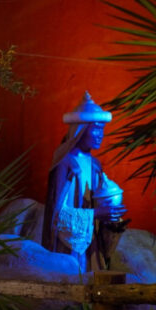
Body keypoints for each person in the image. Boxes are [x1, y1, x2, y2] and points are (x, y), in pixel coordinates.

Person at [41, 92, 127, 273]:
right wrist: (96, 213)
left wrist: (111, 212)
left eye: (102, 129)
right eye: (96, 129)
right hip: (68, 245)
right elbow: (57, 215)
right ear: (80, 130)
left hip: (91, 241)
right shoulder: (65, 163)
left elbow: (99, 199)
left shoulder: (95, 165)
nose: (100, 135)